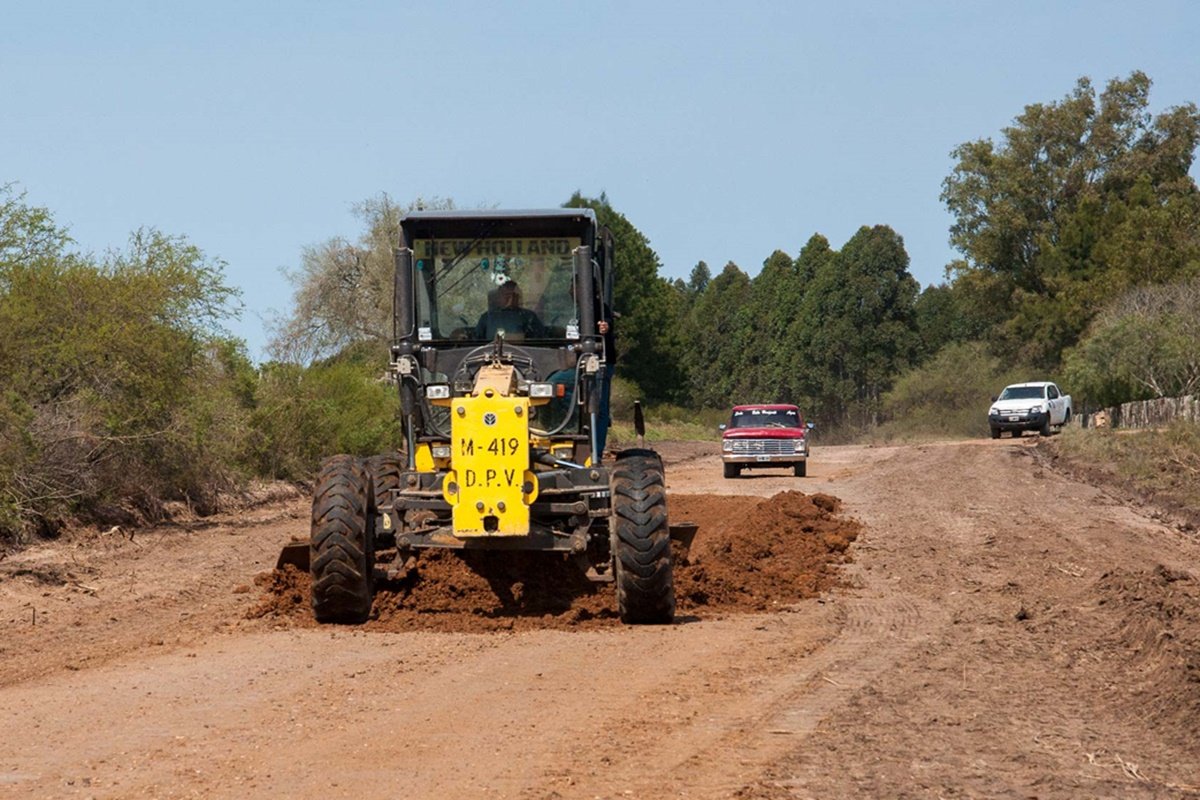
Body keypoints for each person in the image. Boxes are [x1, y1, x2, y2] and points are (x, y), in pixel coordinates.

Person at [472, 280, 547, 340]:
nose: (510, 299)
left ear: (519, 298)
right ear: (498, 298)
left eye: (514, 296)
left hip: (523, 356)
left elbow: (540, 342)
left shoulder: (529, 317)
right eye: (506, 295)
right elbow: (475, 342)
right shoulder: (486, 318)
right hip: (489, 356)